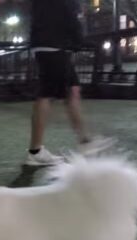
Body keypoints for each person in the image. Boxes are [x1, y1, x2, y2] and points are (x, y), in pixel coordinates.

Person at [25, 0, 115, 166]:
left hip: (48, 42)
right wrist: (78, 40)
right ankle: (36, 151)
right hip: (54, 44)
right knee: (46, 94)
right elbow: (68, 14)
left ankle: (84, 141)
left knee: (72, 90)